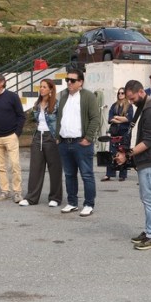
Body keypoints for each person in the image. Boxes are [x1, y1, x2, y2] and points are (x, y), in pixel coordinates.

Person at [118, 80, 151, 251]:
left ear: (140, 92)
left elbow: (147, 141)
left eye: (132, 98)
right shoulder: (145, 105)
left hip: (150, 160)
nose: (131, 102)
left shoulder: (150, 109)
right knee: (147, 198)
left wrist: (127, 155)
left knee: (150, 199)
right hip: (149, 159)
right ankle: (149, 231)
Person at [56, 67, 101, 216]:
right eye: (67, 80)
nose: (69, 82)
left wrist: (88, 138)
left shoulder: (88, 97)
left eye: (72, 80)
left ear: (80, 82)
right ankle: (72, 202)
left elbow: (95, 118)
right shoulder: (64, 97)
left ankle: (88, 204)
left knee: (86, 175)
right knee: (69, 174)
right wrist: (57, 137)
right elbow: (60, 119)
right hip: (64, 142)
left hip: (81, 143)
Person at [0, 72, 26, 204]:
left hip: (10, 136)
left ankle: (17, 192)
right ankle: (5, 191)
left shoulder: (12, 96)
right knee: (0, 166)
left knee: (14, 164)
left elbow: (21, 116)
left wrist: (16, 133)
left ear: (2, 82)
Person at [21, 78, 63, 207]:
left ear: (51, 89)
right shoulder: (37, 104)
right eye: (41, 86)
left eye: (44, 87)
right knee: (35, 168)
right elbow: (35, 121)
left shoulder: (56, 104)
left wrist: (58, 136)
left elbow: (60, 121)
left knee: (54, 168)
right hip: (38, 136)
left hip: (51, 137)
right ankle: (31, 198)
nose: (41, 89)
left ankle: (55, 198)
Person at [103, 87, 134, 182]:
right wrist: (121, 118)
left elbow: (128, 119)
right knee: (112, 152)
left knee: (123, 152)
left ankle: (122, 174)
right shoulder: (114, 106)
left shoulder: (129, 106)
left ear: (125, 95)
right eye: (119, 93)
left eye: (122, 93)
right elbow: (110, 119)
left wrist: (116, 118)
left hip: (125, 133)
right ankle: (109, 174)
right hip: (114, 132)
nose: (120, 94)